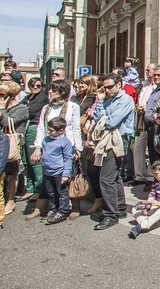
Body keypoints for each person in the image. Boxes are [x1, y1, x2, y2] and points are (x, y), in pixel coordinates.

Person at [29, 80, 82, 220]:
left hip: (66, 144)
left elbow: (76, 128)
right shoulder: (47, 108)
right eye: (50, 89)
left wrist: (77, 148)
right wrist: (37, 148)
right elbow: (41, 128)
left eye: (54, 90)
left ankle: (74, 206)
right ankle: (49, 207)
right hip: (49, 146)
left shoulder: (72, 107)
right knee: (50, 178)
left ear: (62, 92)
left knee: (68, 177)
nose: (50, 92)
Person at [92, 73, 135, 231]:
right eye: (105, 87)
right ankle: (120, 208)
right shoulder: (106, 99)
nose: (107, 90)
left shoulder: (125, 100)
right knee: (114, 176)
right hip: (107, 139)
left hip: (118, 140)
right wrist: (100, 101)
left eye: (110, 86)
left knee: (106, 178)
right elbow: (97, 117)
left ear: (119, 84)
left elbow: (111, 122)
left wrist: (103, 118)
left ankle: (110, 214)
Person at [0, 81, 29, 215]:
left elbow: (8, 123)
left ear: (12, 95)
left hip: (12, 144)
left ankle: (10, 200)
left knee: (12, 173)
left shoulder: (21, 108)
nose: (0, 97)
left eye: (3, 95)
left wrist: (2, 109)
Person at [129, 159, 160, 239]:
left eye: (156, 174)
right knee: (135, 208)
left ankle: (141, 226)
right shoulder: (156, 180)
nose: (155, 176)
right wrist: (149, 200)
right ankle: (148, 222)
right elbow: (153, 192)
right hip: (155, 202)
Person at [72, 74, 99, 218]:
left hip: (88, 133)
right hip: (80, 132)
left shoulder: (91, 97)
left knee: (90, 165)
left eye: (83, 83)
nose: (80, 86)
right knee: (82, 163)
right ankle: (89, 190)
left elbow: (76, 110)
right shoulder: (78, 96)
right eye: (79, 83)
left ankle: (95, 194)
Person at [40, 117, 74, 224]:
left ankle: (63, 211)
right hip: (47, 171)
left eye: (51, 130)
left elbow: (68, 159)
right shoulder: (46, 139)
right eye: (48, 129)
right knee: (51, 192)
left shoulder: (65, 142)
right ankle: (53, 209)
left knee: (62, 192)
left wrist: (65, 174)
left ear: (61, 130)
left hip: (59, 172)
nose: (49, 132)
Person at [21, 77, 48, 202]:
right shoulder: (27, 98)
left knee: (34, 160)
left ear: (42, 86)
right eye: (32, 85)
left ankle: (38, 189)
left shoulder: (42, 97)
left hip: (35, 127)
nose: (35, 87)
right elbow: (19, 108)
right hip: (26, 128)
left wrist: (24, 108)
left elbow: (28, 111)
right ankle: (30, 189)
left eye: (38, 85)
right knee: (26, 160)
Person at [134, 63, 157, 185]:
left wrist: (147, 107)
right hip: (140, 119)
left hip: (151, 120)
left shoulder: (157, 87)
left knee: (151, 147)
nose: (147, 72)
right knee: (138, 147)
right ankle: (139, 175)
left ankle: (150, 175)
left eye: (149, 70)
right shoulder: (144, 85)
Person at [143, 67, 160, 167]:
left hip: (159, 128)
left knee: (159, 157)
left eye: (159, 75)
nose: (156, 77)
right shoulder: (154, 90)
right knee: (152, 155)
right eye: (155, 75)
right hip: (150, 127)